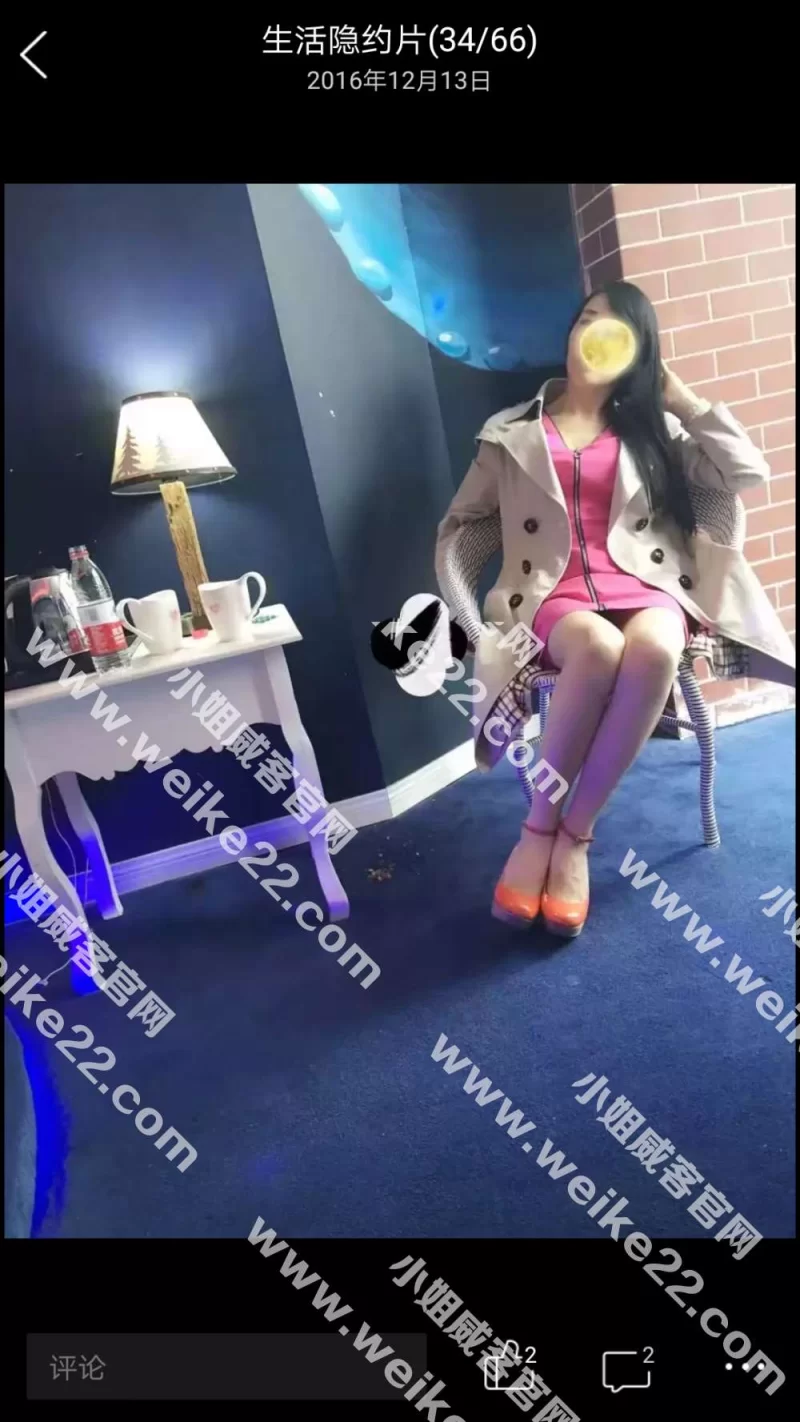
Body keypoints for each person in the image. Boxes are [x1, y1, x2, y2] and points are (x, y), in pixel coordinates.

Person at [434, 280, 795, 938]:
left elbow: (745, 473)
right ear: (570, 334)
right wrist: (472, 598)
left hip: (647, 585)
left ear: (636, 351)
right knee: (597, 650)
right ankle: (539, 830)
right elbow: (462, 525)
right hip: (554, 592)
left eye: (615, 329)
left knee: (654, 649)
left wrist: (681, 399)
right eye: (586, 319)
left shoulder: (657, 429)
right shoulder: (510, 432)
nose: (593, 334)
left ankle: (571, 837)